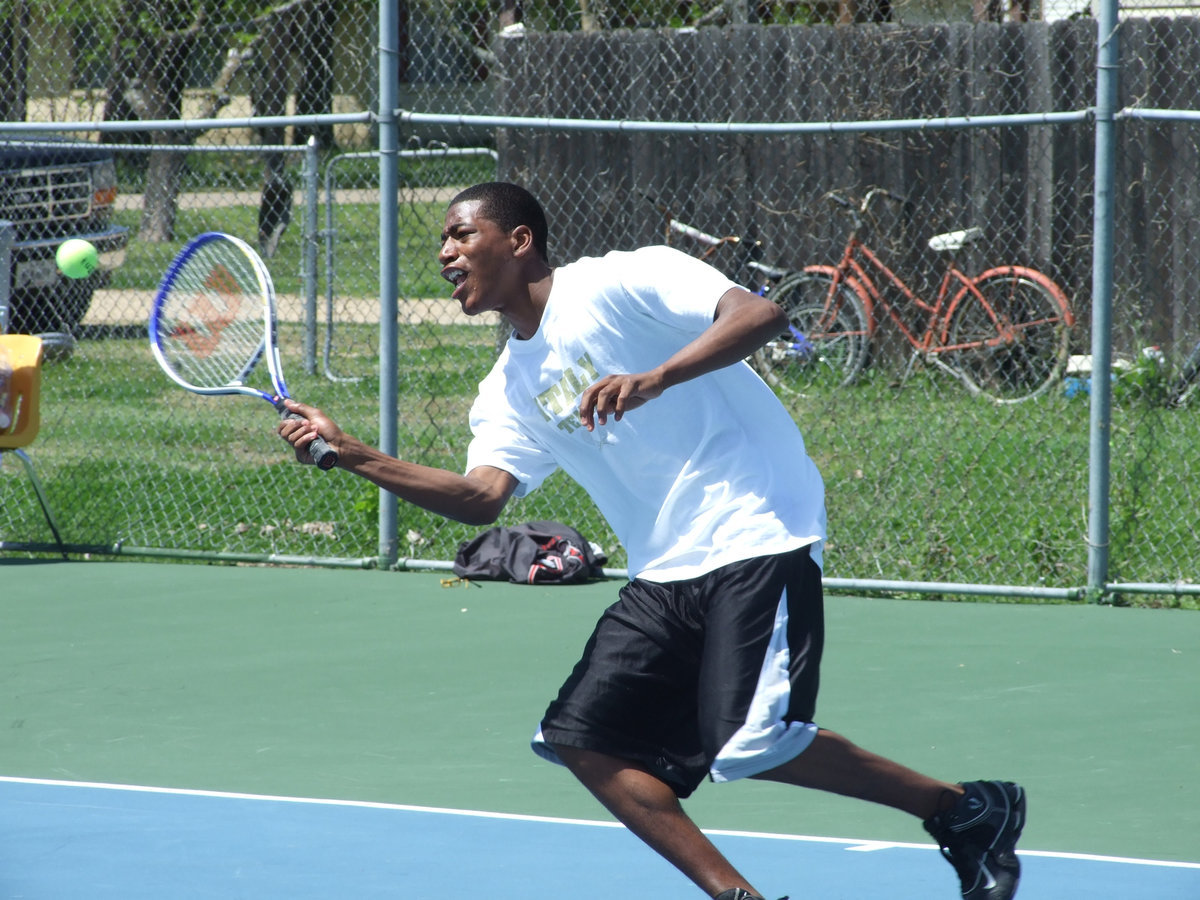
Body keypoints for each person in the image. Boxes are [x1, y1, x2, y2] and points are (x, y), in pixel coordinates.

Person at [277, 182, 1026, 900]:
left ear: (519, 240)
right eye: (443, 238)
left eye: (461, 232)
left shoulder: (622, 280)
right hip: (665, 568)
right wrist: (351, 454)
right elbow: (481, 500)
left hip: (754, 522)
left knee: (750, 743)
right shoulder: (507, 386)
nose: (445, 251)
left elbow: (762, 315)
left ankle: (962, 810)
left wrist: (656, 377)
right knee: (582, 739)